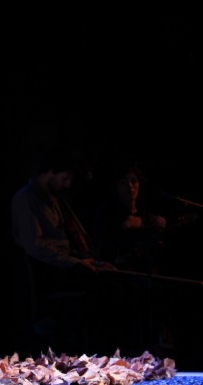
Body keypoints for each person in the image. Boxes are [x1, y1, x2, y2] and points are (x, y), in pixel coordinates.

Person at [10, 148, 134, 356]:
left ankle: (113, 352)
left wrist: (91, 262)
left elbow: (68, 243)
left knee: (119, 282)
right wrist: (74, 262)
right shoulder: (25, 199)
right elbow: (35, 246)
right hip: (47, 271)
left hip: (65, 265)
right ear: (50, 171)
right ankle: (101, 353)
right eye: (65, 178)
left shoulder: (55, 200)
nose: (67, 185)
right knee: (109, 290)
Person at [92, 162, 167, 273]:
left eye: (133, 181)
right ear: (116, 187)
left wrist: (160, 229)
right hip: (117, 271)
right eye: (123, 182)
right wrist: (124, 226)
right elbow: (100, 244)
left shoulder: (145, 215)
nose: (130, 186)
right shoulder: (106, 212)